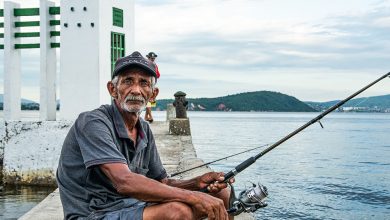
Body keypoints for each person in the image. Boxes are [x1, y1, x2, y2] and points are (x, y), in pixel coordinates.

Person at [56, 51, 234, 220]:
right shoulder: (93, 122)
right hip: (93, 214)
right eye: (127, 81)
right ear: (113, 89)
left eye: (144, 83)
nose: (135, 90)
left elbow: (161, 183)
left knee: (221, 194)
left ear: (153, 94)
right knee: (177, 212)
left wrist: (197, 183)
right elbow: (124, 181)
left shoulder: (144, 129)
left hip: (130, 206)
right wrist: (193, 197)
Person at [144, 52, 160, 123]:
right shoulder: (148, 64)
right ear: (148, 58)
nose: (153, 59)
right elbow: (158, 75)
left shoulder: (153, 65)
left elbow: (158, 75)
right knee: (149, 100)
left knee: (150, 100)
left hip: (152, 84)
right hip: (148, 84)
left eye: (153, 58)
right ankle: (150, 116)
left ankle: (146, 116)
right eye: (151, 58)